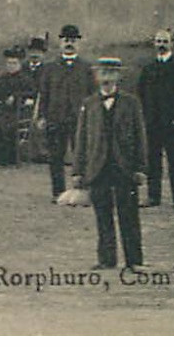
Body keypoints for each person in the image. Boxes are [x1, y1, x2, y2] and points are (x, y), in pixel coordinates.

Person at [71, 57, 147, 269]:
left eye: (111, 73)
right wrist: (78, 171)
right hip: (98, 167)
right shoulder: (89, 104)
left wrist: (141, 167)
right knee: (102, 215)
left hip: (125, 167)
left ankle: (134, 260)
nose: (107, 78)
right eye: (103, 73)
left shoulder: (131, 103)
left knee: (129, 215)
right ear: (96, 77)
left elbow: (140, 136)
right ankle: (106, 259)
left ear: (118, 76)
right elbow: (82, 139)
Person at [136, 28, 174, 213]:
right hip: (152, 123)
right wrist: (143, 120)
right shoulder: (148, 68)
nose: (161, 44)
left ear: (172, 44)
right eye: (158, 41)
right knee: (153, 161)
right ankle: (153, 196)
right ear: (154, 44)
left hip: (173, 124)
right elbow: (141, 95)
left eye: (165, 41)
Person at [37, 24, 97, 200]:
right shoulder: (50, 68)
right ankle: (58, 192)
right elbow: (44, 94)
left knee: (82, 155)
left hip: (79, 119)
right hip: (56, 118)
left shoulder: (86, 68)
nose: (69, 44)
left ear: (78, 43)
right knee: (55, 157)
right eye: (65, 40)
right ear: (60, 43)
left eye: (72, 40)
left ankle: (83, 191)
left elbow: (93, 95)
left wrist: (92, 117)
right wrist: (42, 116)